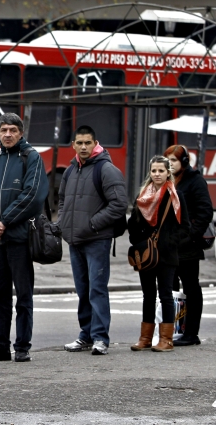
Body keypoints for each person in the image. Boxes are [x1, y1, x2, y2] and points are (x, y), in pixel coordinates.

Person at [0, 113, 48, 363]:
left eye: (13, 130)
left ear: (21, 132)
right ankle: (0, 347)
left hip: (19, 238)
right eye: (3, 130)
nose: (7, 134)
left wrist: (4, 222)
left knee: (24, 295)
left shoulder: (32, 157)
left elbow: (33, 196)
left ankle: (22, 346)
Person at [58, 125, 128, 356]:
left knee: (97, 289)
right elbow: (62, 201)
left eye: (88, 142)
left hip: (97, 239)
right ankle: (85, 335)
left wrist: (93, 224)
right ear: (74, 145)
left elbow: (119, 204)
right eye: (80, 143)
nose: (84, 147)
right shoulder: (70, 170)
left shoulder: (106, 169)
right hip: (76, 239)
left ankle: (100, 338)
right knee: (82, 289)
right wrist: (64, 223)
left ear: (95, 143)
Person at [128, 155, 189, 353]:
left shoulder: (175, 196)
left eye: (161, 171)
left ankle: (166, 339)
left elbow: (185, 227)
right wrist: (138, 242)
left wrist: (168, 243)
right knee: (148, 295)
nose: (157, 174)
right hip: (146, 254)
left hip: (166, 255)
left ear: (168, 172)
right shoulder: (143, 195)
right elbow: (133, 223)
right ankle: (145, 338)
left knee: (165, 295)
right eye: (154, 170)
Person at [165, 145, 212, 347]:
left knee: (191, 288)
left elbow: (205, 212)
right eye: (168, 160)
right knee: (171, 288)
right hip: (169, 244)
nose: (170, 164)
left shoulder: (195, 181)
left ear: (184, 162)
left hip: (188, 245)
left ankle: (191, 333)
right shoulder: (166, 180)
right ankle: (175, 330)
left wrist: (190, 236)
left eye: (174, 160)